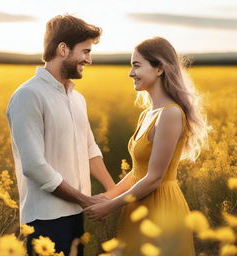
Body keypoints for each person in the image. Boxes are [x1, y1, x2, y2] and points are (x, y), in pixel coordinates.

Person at [84, 37, 210, 256]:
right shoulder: (147, 114)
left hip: (162, 211)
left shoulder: (170, 113)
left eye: (136, 65)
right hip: (137, 209)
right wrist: (110, 195)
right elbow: (138, 171)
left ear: (159, 68)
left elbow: (154, 178)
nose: (130, 73)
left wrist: (110, 206)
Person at [6, 14, 115, 256]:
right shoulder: (28, 95)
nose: (88, 59)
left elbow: (89, 149)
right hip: (45, 220)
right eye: (85, 51)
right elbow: (34, 166)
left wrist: (111, 191)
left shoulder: (77, 99)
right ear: (63, 49)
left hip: (77, 215)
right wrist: (85, 200)